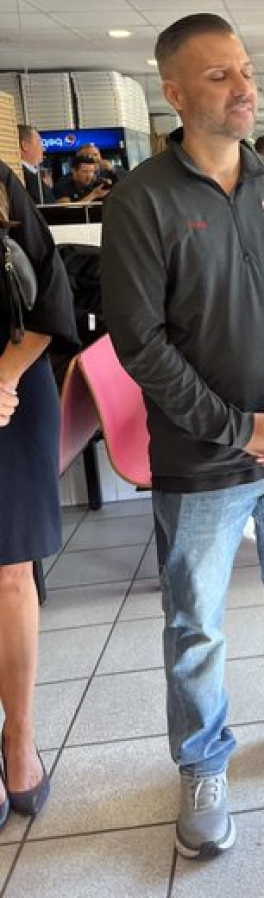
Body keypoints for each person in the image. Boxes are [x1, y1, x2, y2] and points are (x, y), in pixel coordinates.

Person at [100, 13, 264, 860]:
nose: (243, 86)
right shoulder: (143, 200)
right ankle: (203, 761)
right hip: (204, 461)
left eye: (245, 69)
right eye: (218, 76)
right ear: (174, 94)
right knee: (197, 621)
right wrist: (235, 427)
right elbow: (140, 342)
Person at [0, 162, 78, 828]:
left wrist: (2, 376)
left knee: (10, 572)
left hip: (11, 391)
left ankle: (18, 735)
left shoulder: (0, 184)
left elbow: (51, 299)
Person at [16, 126, 54, 205]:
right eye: (39, 142)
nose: (44, 149)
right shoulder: (23, 175)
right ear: (25, 145)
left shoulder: (33, 174)